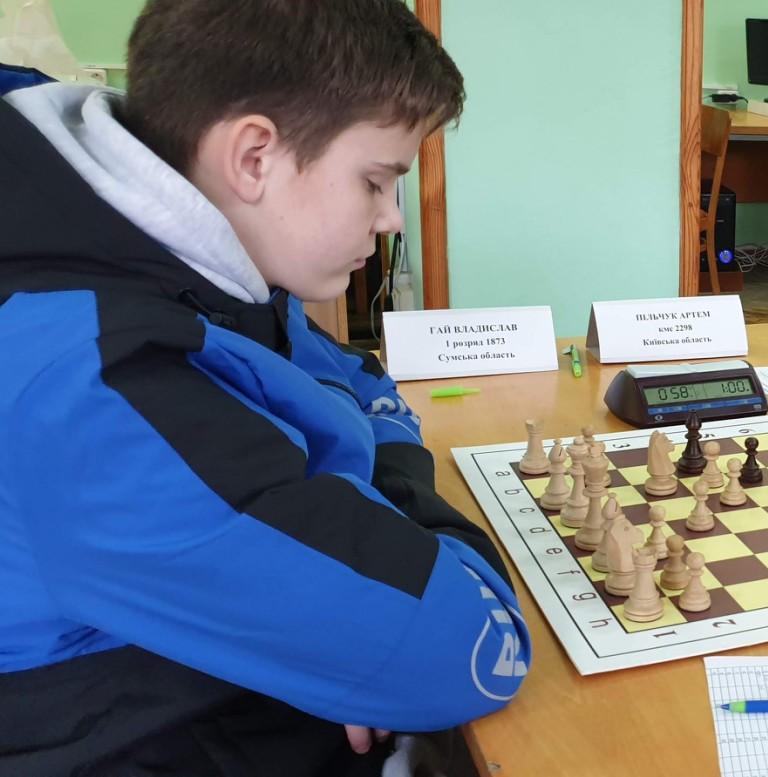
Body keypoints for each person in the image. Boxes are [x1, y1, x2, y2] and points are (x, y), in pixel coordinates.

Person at [0, 1, 530, 774]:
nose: (392, 219)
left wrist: (346, 615)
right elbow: (471, 649)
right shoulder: (90, 388)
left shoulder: (179, 246)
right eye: (376, 181)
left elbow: (357, 379)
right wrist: (364, 623)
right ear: (254, 156)